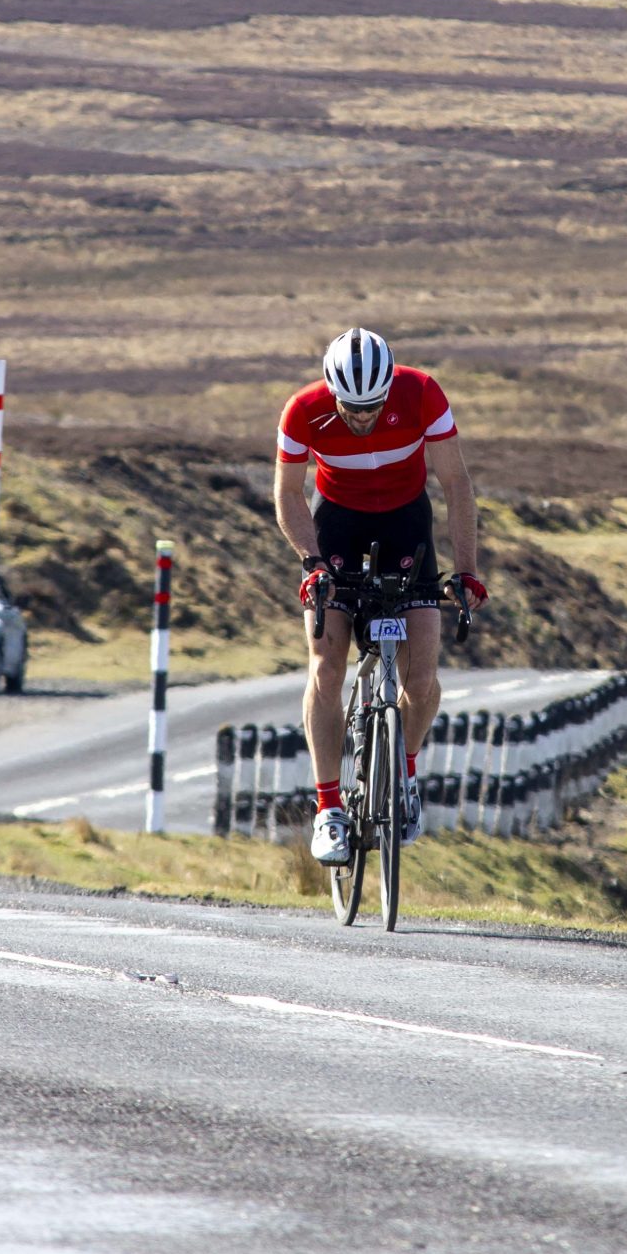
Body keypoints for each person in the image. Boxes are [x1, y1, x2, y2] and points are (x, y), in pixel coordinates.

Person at [275, 327, 486, 865]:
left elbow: (456, 484)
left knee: (422, 675)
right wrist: (312, 563)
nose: (362, 418)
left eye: (372, 406)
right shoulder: (302, 410)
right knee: (326, 666)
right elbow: (288, 493)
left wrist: (466, 572)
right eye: (351, 407)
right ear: (332, 390)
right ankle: (328, 810)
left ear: (389, 388)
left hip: (406, 528)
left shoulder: (422, 393)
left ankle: (405, 772)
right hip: (336, 529)